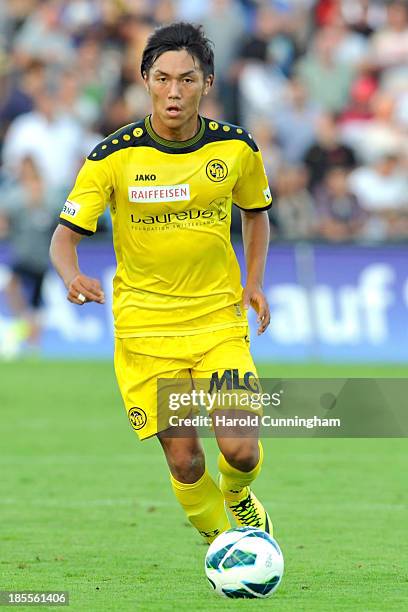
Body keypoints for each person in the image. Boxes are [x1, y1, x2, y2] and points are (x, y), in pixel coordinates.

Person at [49, 22, 273, 544]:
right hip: (146, 330)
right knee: (186, 459)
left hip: (217, 320)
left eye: (187, 80)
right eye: (164, 78)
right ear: (145, 80)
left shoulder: (237, 148)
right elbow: (64, 237)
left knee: (240, 449)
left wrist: (255, 281)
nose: (175, 92)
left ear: (207, 83)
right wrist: (72, 274)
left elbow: (256, 214)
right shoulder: (112, 156)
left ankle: (238, 495)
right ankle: (226, 546)